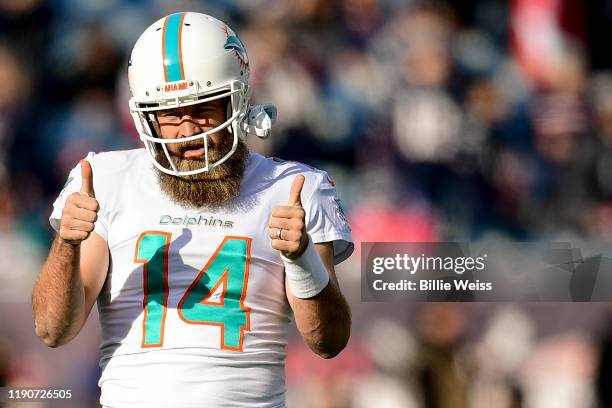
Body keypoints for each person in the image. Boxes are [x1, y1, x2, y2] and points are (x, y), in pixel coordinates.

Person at [31, 12, 353, 408]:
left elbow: (329, 342)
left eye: (203, 108)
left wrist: (302, 259)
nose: (188, 131)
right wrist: (67, 243)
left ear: (235, 100)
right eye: (169, 113)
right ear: (145, 116)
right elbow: (52, 329)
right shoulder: (104, 178)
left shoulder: (292, 187)